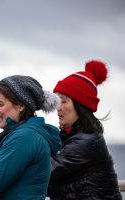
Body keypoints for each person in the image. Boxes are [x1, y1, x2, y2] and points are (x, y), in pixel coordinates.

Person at [48, 60, 122, 199]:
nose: (58, 107)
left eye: (63, 101)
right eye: (57, 101)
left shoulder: (87, 141)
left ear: (80, 105)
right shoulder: (75, 136)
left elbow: (46, 172)